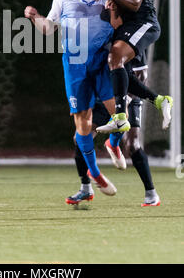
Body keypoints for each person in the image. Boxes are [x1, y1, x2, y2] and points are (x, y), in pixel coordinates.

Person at [25, 0, 117, 196]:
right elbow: (48, 29)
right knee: (81, 124)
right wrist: (34, 17)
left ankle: (113, 145)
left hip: (102, 60)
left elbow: (120, 23)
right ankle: (93, 175)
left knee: (119, 113)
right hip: (74, 63)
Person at [90, 0, 173, 134]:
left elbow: (135, 5)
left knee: (115, 57)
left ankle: (120, 118)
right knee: (122, 71)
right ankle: (160, 101)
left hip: (144, 24)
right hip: (125, 27)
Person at [66, 52, 161, 207]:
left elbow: (141, 75)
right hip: (102, 96)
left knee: (132, 145)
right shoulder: (100, 35)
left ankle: (151, 193)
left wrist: (124, 104)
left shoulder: (130, 40)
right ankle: (86, 188)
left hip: (129, 96)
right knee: (80, 138)